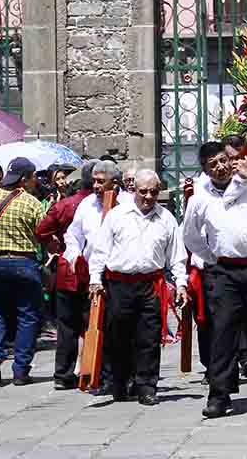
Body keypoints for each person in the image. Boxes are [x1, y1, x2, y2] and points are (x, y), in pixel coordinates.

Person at [178, 141, 247, 418]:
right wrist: (214, 257)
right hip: (225, 272)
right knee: (223, 333)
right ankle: (220, 394)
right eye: (212, 165)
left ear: (231, 160)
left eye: (222, 161)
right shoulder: (199, 199)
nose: (220, 168)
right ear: (205, 169)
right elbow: (191, 237)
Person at [89, 169, 178, 406]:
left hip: (150, 285)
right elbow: (101, 250)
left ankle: (146, 385)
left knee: (149, 337)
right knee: (118, 335)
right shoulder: (116, 216)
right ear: (133, 190)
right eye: (143, 191)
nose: (148, 196)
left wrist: (181, 283)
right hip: (119, 285)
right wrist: (95, 280)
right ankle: (119, 382)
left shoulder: (166, 219)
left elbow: (176, 255)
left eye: (153, 192)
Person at [0, 157, 46, 387]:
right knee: (27, 315)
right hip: (26, 263)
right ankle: (21, 369)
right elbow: (42, 233)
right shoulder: (33, 203)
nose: (35, 181)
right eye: (33, 176)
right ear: (24, 179)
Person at [64, 160, 132, 395]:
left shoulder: (129, 204)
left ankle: (124, 376)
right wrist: (74, 256)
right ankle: (101, 376)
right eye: (93, 180)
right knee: (94, 324)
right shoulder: (86, 205)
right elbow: (72, 235)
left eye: (101, 181)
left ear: (115, 181)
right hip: (94, 274)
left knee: (120, 327)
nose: (95, 185)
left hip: (121, 273)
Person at [35, 160, 93, 390]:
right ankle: (92, 368)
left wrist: (53, 243)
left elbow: (41, 230)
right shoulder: (103, 205)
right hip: (91, 270)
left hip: (67, 269)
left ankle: (63, 373)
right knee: (93, 323)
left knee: (67, 325)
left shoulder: (65, 205)